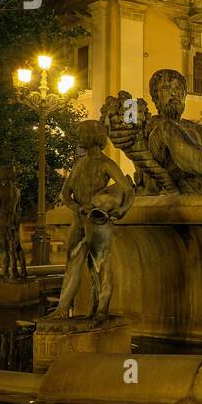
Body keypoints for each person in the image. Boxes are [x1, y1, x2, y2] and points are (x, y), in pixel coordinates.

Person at [47, 120, 136, 324]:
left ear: (94, 137)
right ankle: (61, 309)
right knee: (72, 265)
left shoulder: (106, 163)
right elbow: (64, 194)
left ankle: (101, 310)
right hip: (78, 221)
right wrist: (75, 207)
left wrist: (121, 209)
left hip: (97, 222)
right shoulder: (79, 164)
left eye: (83, 133)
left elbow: (129, 189)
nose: (79, 137)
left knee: (99, 266)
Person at [0, 164, 26, 280]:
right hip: (13, 221)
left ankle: (6, 273)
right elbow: (19, 209)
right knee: (17, 247)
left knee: (4, 249)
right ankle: (21, 271)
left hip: (2, 221)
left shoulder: (0, 191)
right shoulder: (17, 191)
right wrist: (16, 221)